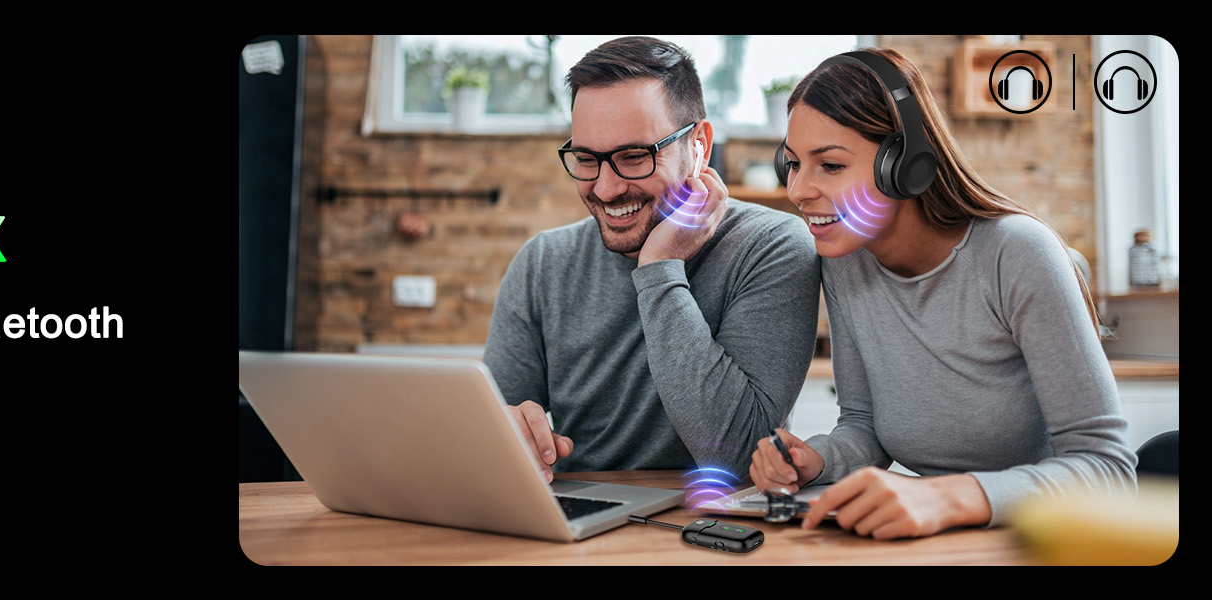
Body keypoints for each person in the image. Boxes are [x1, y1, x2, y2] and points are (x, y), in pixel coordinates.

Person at [748, 48, 1137, 539]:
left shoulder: (1016, 254)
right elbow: (865, 426)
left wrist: (949, 496)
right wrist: (816, 458)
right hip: (931, 538)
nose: (799, 189)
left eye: (829, 165)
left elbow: (1108, 468)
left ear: (905, 165)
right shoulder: (845, 263)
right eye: (793, 164)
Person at [482, 36, 821, 483]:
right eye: (586, 159)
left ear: (698, 144)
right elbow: (488, 438)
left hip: (717, 527)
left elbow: (740, 457)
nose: (605, 189)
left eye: (634, 157)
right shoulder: (544, 262)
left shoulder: (771, 246)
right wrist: (508, 432)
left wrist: (660, 267)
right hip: (578, 524)